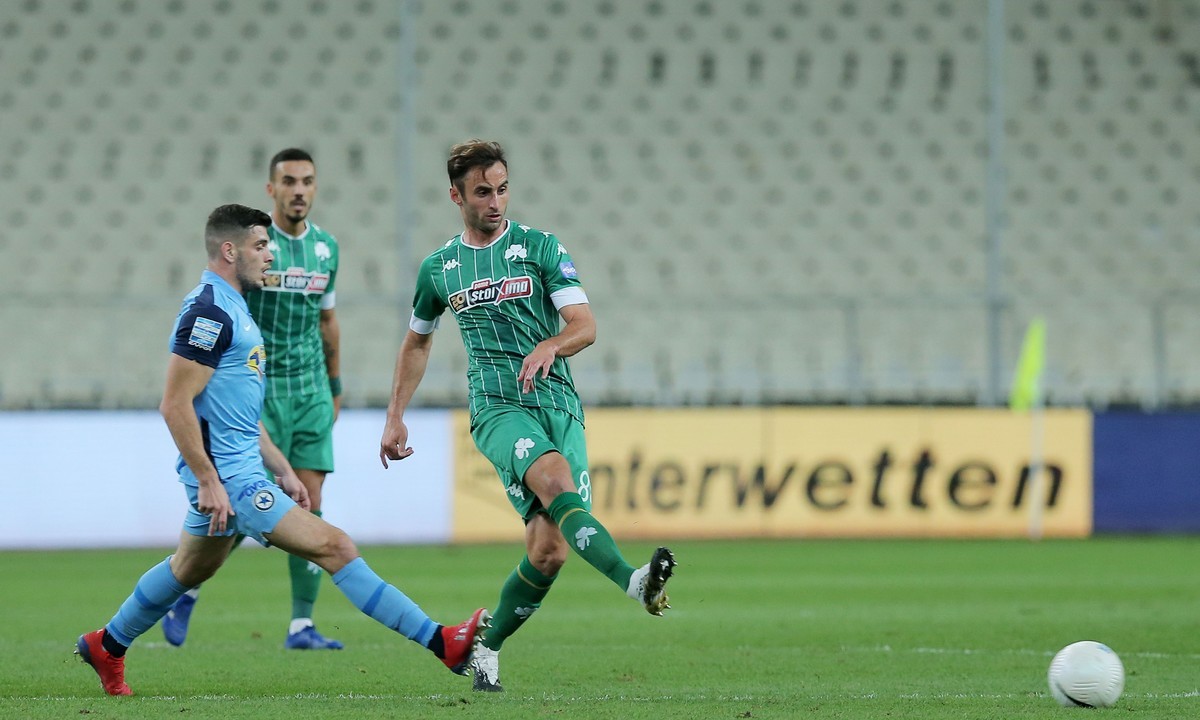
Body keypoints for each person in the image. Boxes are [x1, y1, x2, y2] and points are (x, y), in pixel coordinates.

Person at [75, 204, 488, 696]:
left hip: (241, 471)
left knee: (190, 567)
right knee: (336, 547)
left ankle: (107, 645)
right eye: (259, 246)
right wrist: (208, 479)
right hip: (232, 481)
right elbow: (174, 404)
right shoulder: (208, 313)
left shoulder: (234, 308)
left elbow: (235, 413)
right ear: (229, 251)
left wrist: (284, 469)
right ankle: (443, 642)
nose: (269, 256)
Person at [378, 140, 676, 693]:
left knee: (548, 550)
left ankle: (485, 648)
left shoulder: (540, 247)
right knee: (557, 480)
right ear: (456, 197)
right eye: (482, 192)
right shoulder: (439, 269)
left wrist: (551, 345)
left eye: (502, 189)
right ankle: (633, 582)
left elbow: (584, 324)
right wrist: (395, 415)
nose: (495, 202)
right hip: (498, 408)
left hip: (558, 404)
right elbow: (416, 342)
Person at [162, 149, 347, 650]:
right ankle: (188, 584)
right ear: (272, 189)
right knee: (245, 507)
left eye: (307, 181)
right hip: (257, 389)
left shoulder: (327, 249)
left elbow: (328, 320)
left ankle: (301, 625)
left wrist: (333, 386)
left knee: (310, 502)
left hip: (309, 389)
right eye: (289, 181)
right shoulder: (253, 245)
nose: (299, 190)